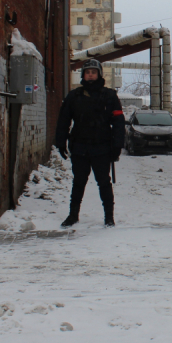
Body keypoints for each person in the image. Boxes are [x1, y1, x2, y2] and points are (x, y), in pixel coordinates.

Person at [55, 59, 125, 228]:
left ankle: (109, 217)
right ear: (83, 75)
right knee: (78, 182)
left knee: (104, 183)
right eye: (88, 72)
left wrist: (117, 145)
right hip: (80, 147)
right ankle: (73, 215)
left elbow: (118, 122)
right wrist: (60, 141)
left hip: (102, 147)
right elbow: (63, 120)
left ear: (99, 74)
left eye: (94, 72)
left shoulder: (109, 95)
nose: (91, 75)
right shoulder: (74, 96)